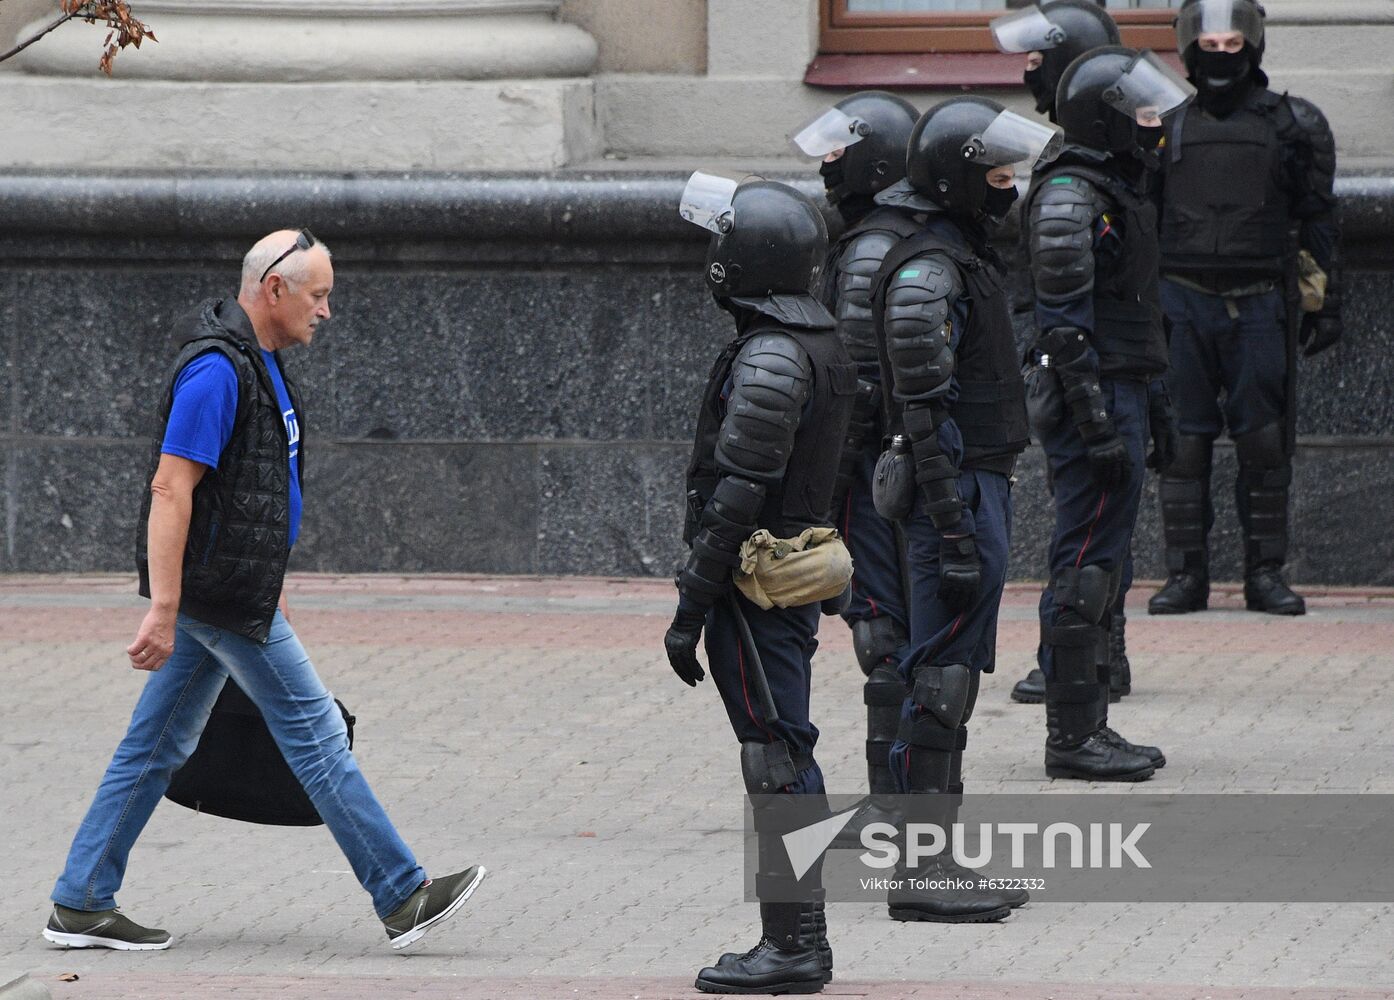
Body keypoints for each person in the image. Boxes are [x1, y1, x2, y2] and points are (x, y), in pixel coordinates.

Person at [43, 231, 485, 953]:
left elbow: (253, 487)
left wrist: (269, 576)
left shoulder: (262, 363)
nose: (328, 310)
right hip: (221, 597)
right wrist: (163, 605)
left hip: (236, 590)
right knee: (314, 734)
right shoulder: (216, 372)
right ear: (273, 290)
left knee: (155, 742)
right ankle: (402, 893)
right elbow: (170, 487)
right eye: (318, 295)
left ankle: (82, 899)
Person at [868, 97, 1059, 919]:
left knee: (950, 673)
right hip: (955, 489)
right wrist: (950, 526)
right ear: (955, 178)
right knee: (938, 677)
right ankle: (920, 874)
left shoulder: (959, 253)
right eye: (996, 173)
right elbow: (922, 410)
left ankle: (933, 860)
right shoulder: (929, 269)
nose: (1009, 187)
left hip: (978, 482)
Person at [665, 175, 855, 994]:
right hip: (786, 577)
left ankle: (795, 943)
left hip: (756, 587)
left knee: (776, 751)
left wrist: (692, 604)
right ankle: (794, 937)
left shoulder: (774, 353)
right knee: (782, 744)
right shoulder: (814, 339)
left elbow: (740, 491)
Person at [1020, 48, 1190, 781]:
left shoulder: (1117, 187)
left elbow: (1131, 311)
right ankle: (1071, 738)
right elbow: (1064, 330)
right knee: (1083, 570)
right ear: (1107, 118)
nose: (1155, 126)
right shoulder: (1070, 196)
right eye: (1143, 113)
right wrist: (1095, 424)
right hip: (1093, 398)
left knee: (1103, 566)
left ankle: (1090, 726)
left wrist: (1152, 406)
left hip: (1122, 390)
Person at [1149, 0, 1342, 617]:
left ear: (1254, 47)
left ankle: (1265, 573)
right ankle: (1187, 576)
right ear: (1187, 49)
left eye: (1234, 44)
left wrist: (1328, 302)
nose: (1221, 55)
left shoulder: (1294, 125)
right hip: (1181, 304)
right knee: (1182, 446)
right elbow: (1140, 222)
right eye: (1211, 44)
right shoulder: (1165, 127)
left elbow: (1318, 220)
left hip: (1260, 305)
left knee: (1265, 443)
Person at [992, 0, 1152, 707]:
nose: (1028, 73)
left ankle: (1096, 667)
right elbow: (1064, 317)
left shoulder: (1109, 170)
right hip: (1096, 381)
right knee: (1084, 544)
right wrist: (1090, 414)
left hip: (1123, 372)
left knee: (1099, 541)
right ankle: (1072, 699)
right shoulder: (1072, 177)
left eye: (1037, 59)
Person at [793, 91, 921, 842]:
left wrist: (826, 483)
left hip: (876, 470)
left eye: (838, 153)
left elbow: (859, 388)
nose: (826, 167)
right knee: (898, 635)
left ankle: (897, 811)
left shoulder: (871, 246)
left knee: (883, 635)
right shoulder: (883, 234)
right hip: (898, 466)